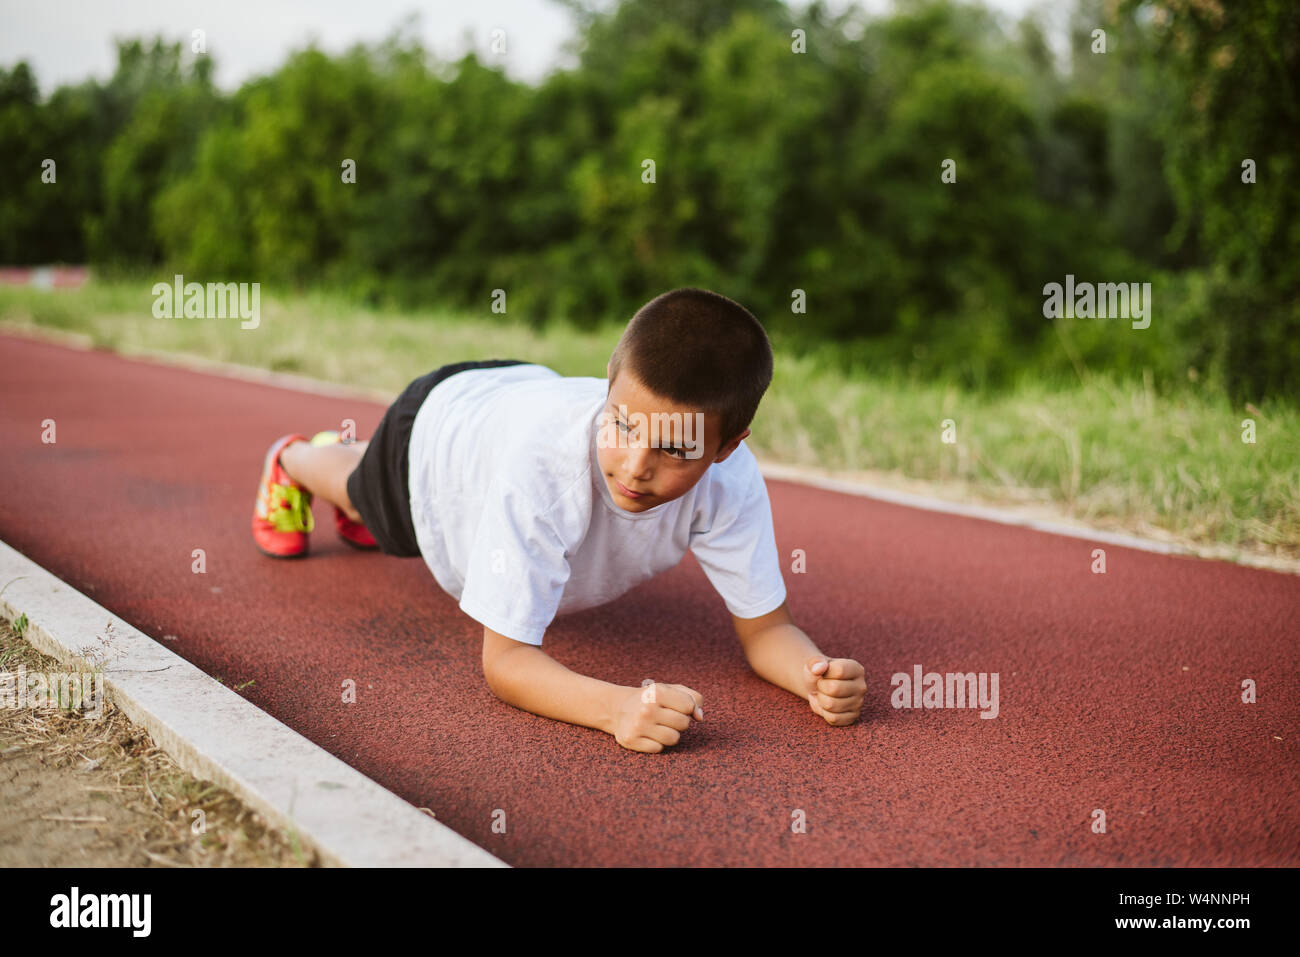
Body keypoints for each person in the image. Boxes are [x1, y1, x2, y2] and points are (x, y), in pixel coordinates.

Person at [250, 287, 866, 752]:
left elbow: (766, 634)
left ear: (729, 446)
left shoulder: (733, 481)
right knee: (372, 508)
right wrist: (616, 708)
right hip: (439, 437)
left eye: (674, 450)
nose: (635, 467)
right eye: (622, 424)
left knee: (369, 499)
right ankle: (295, 458)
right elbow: (507, 663)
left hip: (512, 403)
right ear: (609, 385)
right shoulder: (544, 473)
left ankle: (347, 457)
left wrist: (812, 676)